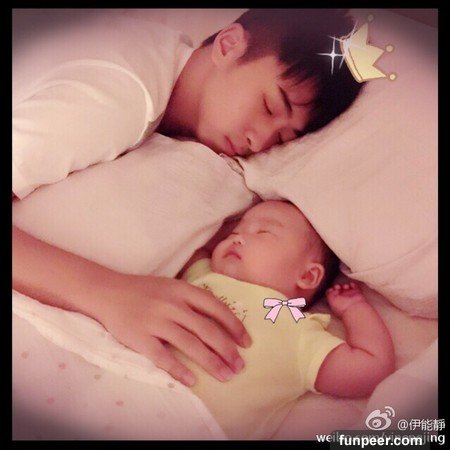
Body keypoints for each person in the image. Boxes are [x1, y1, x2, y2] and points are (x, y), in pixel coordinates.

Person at [12, 9, 363, 386]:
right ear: (228, 45)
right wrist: (110, 294)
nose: (260, 141)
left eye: (282, 138)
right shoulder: (122, 93)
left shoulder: (175, 93)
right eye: (269, 107)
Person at [176, 200, 395, 438]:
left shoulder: (295, 328)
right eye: (234, 232)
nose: (237, 238)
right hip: (144, 370)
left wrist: (354, 308)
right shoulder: (204, 275)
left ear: (307, 276)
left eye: (263, 232)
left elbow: (370, 367)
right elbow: (189, 237)